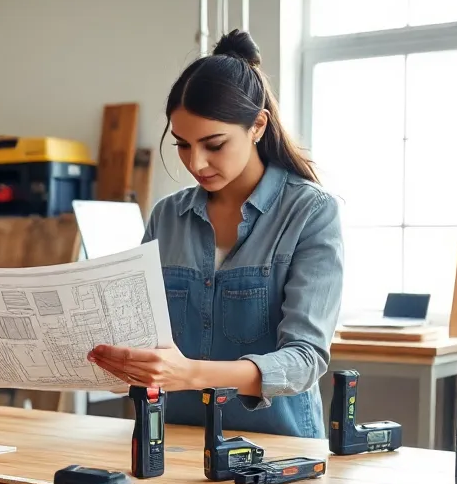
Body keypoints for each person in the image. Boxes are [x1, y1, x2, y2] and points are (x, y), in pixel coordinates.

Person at [87, 29, 344, 438]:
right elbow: (140, 334)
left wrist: (190, 373)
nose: (196, 163)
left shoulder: (310, 212)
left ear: (257, 125)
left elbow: (304, 361)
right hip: (170, 442)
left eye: (214, 144)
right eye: (183, 145)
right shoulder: (167, 216)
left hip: (275, 449)